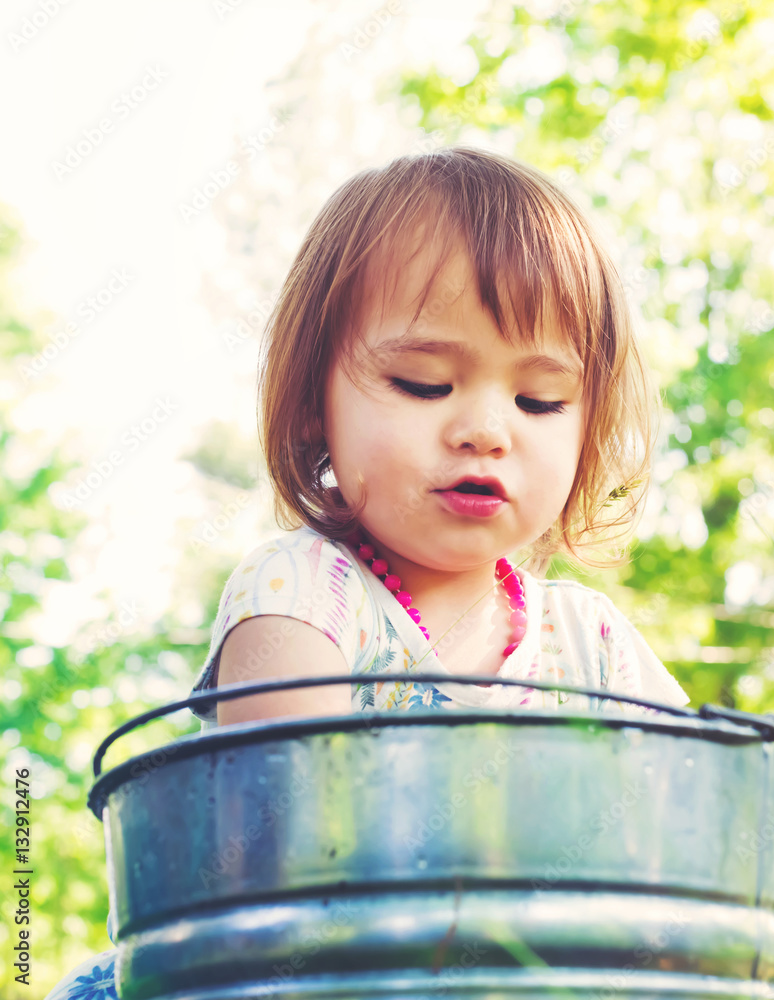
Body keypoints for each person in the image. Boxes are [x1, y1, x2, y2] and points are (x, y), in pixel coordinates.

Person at [44, 145, 689, 1000]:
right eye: (424, 383)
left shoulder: (594, 641)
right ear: (316, 402)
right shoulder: (302, 595)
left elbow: (703, 820)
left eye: (540, 401)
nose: (486, 429)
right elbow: (293, 846)